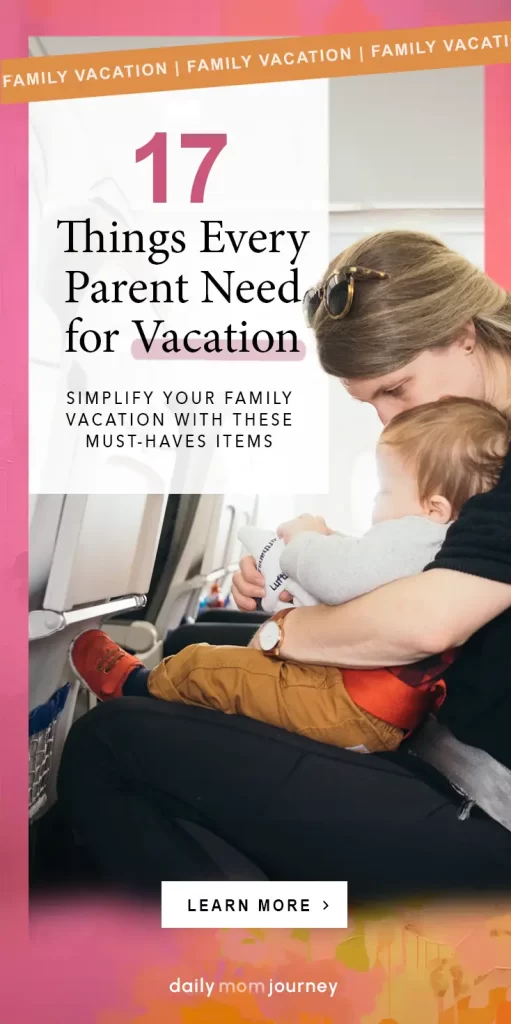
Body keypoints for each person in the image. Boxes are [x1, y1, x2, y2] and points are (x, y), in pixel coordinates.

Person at [58, 231, 511, 899]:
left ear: (463, 334)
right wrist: (296, 584)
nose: (387, 421)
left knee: (110, 744)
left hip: (485, 808)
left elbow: (424, 625)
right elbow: (420, 573)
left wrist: (286, 629)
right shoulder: (480, 453)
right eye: (371, 403)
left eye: (395, 388)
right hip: (440, 752)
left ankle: (256, 970)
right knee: (189, 652)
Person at [68, 397, 508, 753]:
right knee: (237, 673)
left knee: (206, 664)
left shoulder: (418, 534)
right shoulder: (443, 544)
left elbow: (340, 577)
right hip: (374, 709)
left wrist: (304, 539)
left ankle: (136, 688)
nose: (377, 505)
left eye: (385, 491)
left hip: (347, 701)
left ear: (435, 508)